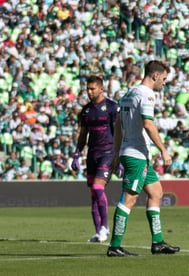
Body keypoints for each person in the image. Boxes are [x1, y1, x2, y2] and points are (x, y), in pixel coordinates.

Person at [107, 60, 180, 257]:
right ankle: (114, 246)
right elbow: (148, 124)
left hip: (134, 153)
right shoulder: (147, 95)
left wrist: (116, 153)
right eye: (164, 79)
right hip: (136, 154)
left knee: (156, 192)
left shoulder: (129, 93)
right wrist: (164, 150)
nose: (164, 83)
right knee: (129, 198)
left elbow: (118, 125)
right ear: (155, 76)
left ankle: (157, 242)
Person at [71, 76, 120, 243]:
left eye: (92, 89)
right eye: (88, 89)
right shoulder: (85, 110)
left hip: (108, 153)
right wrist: (77, 154)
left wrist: (119, 158)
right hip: (92, 154)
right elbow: (83, 134)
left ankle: (105, 227)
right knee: (93, 193)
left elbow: (118, 133)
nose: (89, 92)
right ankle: (99, 232)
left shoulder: (112, 107)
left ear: (101, 89)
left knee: (98, 188)